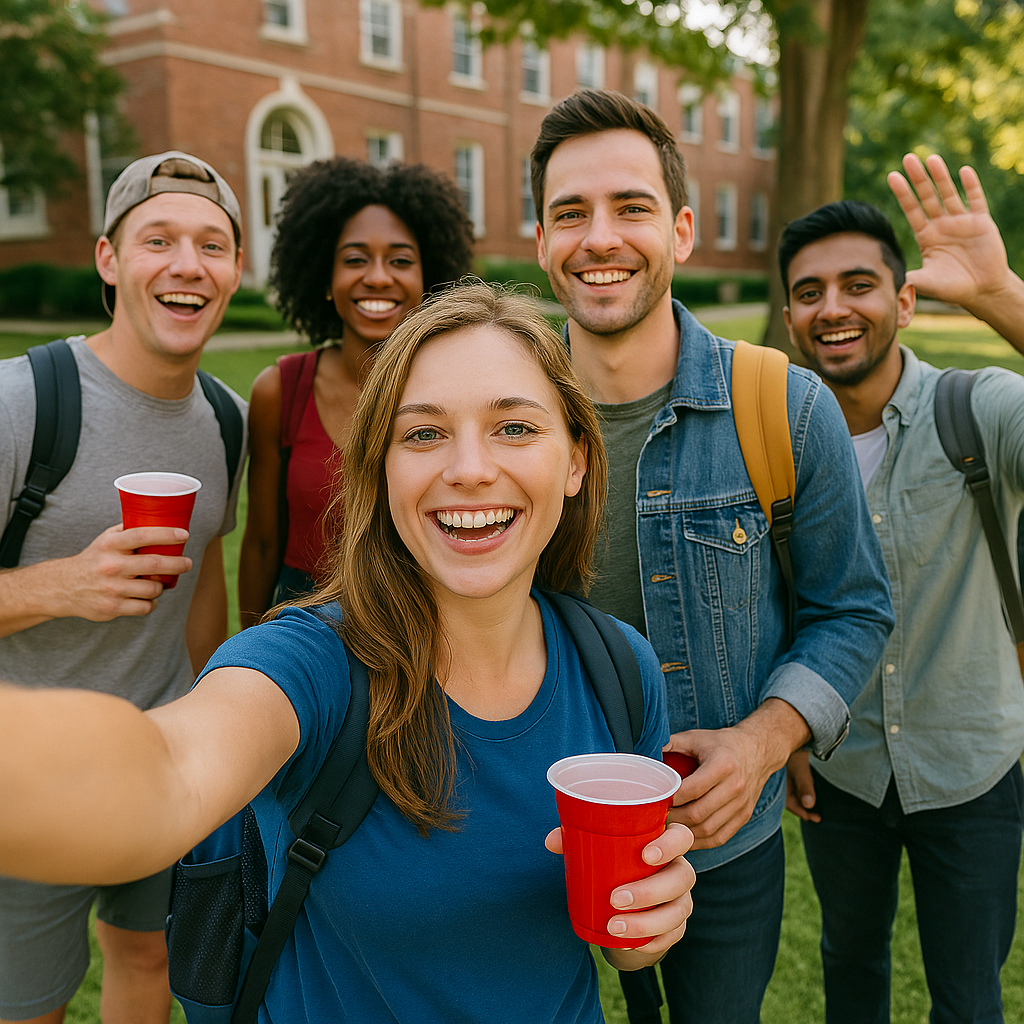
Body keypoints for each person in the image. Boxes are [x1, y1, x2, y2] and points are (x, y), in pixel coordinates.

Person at [0, 283, 696, 1023]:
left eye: (516, 428)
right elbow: (167, 774)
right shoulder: (310, 663)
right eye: (423, 434)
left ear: (577, 462)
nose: (468, 468)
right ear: (381, 469)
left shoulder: (619, 668)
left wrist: (642, 927)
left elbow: (624, 931)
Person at [530, 88, 895, 1024]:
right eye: (571, 213)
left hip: (717, 846)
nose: (599, 237)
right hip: (518, 833)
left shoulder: (785, 406)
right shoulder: (498, 417)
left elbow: (852, 609)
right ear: (540, 241)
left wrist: (765, 740)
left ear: (682, 231)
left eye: (631, 208)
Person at [0, 152, 247, 1024]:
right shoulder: (23, 403)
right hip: (30, 778)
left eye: (212, 245)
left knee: (148, 957)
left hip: (162, 758)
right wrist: (57, 586)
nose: (188, 265)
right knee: (28, 1002)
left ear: (235, 271)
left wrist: (214, 713)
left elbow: (206, 573)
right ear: (109, 259)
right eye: (159, 241)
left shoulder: (226, 418)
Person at [782, 154, 1024, 1024]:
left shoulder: (979, 410)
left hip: (974, 766)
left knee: (967, 995)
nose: (834, 308)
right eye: (810, 292)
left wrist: (999, 294)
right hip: (842, 768)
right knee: (852, 966)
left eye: (859, 284)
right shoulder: (776, 443)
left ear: (906, 300)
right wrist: (790, 727)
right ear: (791, 317)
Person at [237, 157, 474, 624]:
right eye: (355, 259)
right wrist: (247, 654)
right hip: (302, 639)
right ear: (325, 278)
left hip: (423, 631)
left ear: (430, 279)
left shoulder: (457, 391)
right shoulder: (279, 392)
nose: (379, 277)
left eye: (401, 260)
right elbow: (263, 543)